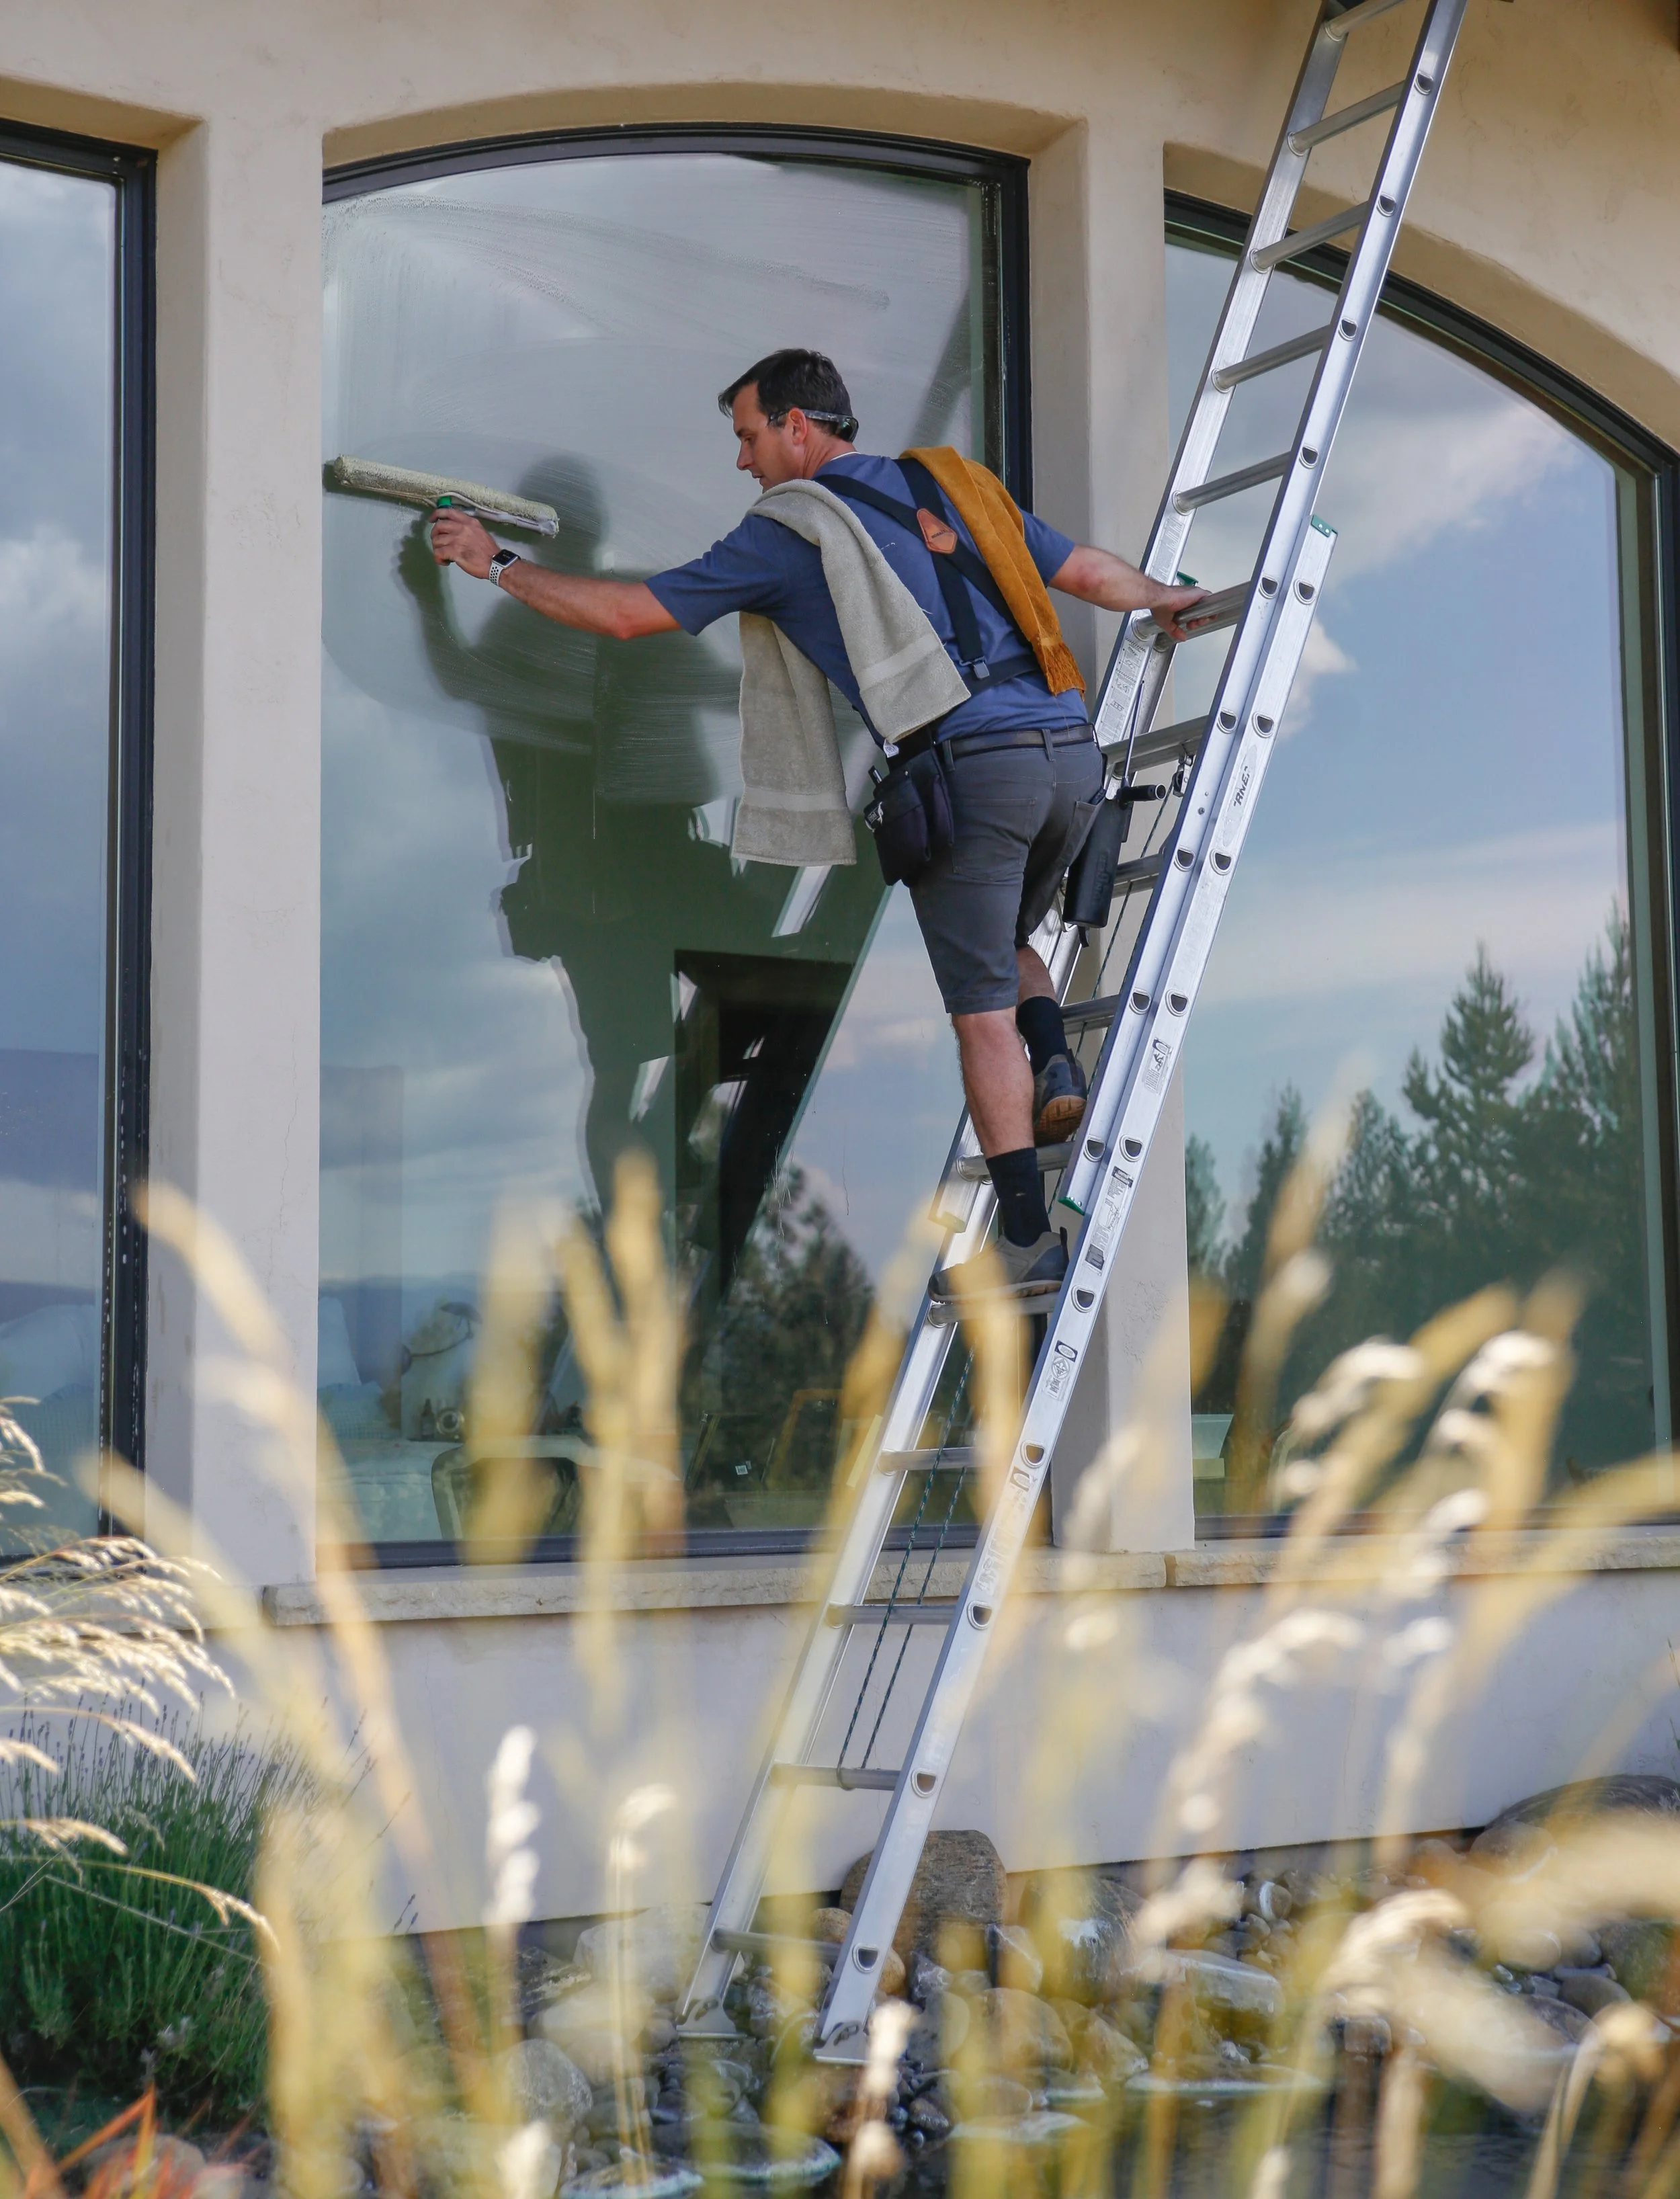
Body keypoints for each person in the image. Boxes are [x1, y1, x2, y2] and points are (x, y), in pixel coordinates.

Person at [428, 348, 1204, 1295]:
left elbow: (632, 615)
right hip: (1067, 752)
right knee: (1006, 941)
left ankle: (1028, 1243)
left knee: (976, 1014)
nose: (744, 463)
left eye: (749, 437)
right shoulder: (951, 484)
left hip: (971, 772)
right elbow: (1080, 568)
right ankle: (1055, 1062)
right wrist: (1164, 597)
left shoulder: (790, 530)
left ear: (800, 426)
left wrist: (494, 562)